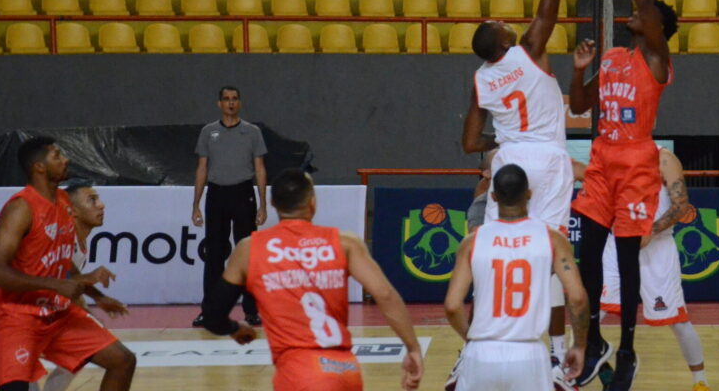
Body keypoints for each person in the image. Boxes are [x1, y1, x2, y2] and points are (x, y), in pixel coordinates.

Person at [461, 0, 575, 372]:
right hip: (548, 158)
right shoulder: (527, 50)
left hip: (509, 158)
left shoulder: (481, 80)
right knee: (549, 253)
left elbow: (469, 144)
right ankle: (551, 355)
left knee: (492, 250)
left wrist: (500, 141)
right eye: (501, 22)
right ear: (504, 39)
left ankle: (477, 344)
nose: (506, 21)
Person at [568, 0, 679, 389]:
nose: (637, 14)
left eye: (645, 14)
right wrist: (576, 71)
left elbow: (645, 0)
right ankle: (594, 340)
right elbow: (579, 106)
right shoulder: (613, 55)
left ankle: (629, 350)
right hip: (600, 159)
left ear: (657, 29)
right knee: (588, 252)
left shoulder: (655, 59)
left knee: (629, 260)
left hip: (636, 161)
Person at [202, 168, 423, 391]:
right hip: (345, 371)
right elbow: (385, 295)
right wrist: (412, 348)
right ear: (312, 202)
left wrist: (235, 328)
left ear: (273, 204)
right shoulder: (345, 243)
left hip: (299, 374)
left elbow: (212, 315)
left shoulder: (249, 249)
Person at [0, 137, 137, 391]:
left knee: (122, 360)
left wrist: (97, 295)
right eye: (57, 155)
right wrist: (57, 285)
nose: (66, 159)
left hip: (57, 314)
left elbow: (62, 260)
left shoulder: (64, 202)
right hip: (18, 316)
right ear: (39, 167)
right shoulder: (21, 207)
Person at [443, 164, 589, 391]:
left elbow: (452, 306)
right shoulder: (553, 239)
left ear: (492, 197)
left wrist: (471, 340)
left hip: (481, 353)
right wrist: (579, 345)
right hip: (528, 354)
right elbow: (578, 298)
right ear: (529, 194)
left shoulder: (472, 241)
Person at [597, 148, 710, 391]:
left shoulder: (664, 158)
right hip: (617, 243)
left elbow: (681, 205)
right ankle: (607, 375)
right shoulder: (610, 154)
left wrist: (651, 230)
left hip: (656, 247)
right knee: (592, 315)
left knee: (678, 321)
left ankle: (700, 380)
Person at [191, 85, 268, 327]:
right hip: (216, 195)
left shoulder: (252, 132)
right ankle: (210, 310)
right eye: (226, 99)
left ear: (240, 103)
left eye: (235, 98)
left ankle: (251, 310)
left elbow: (260, 168)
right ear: (219, 104)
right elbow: (202, 168)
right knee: (214, 254)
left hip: (243, 193)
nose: (231, 103)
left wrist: (263, 204)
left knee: (247, 254)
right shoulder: (208, 132)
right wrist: (196, 204)